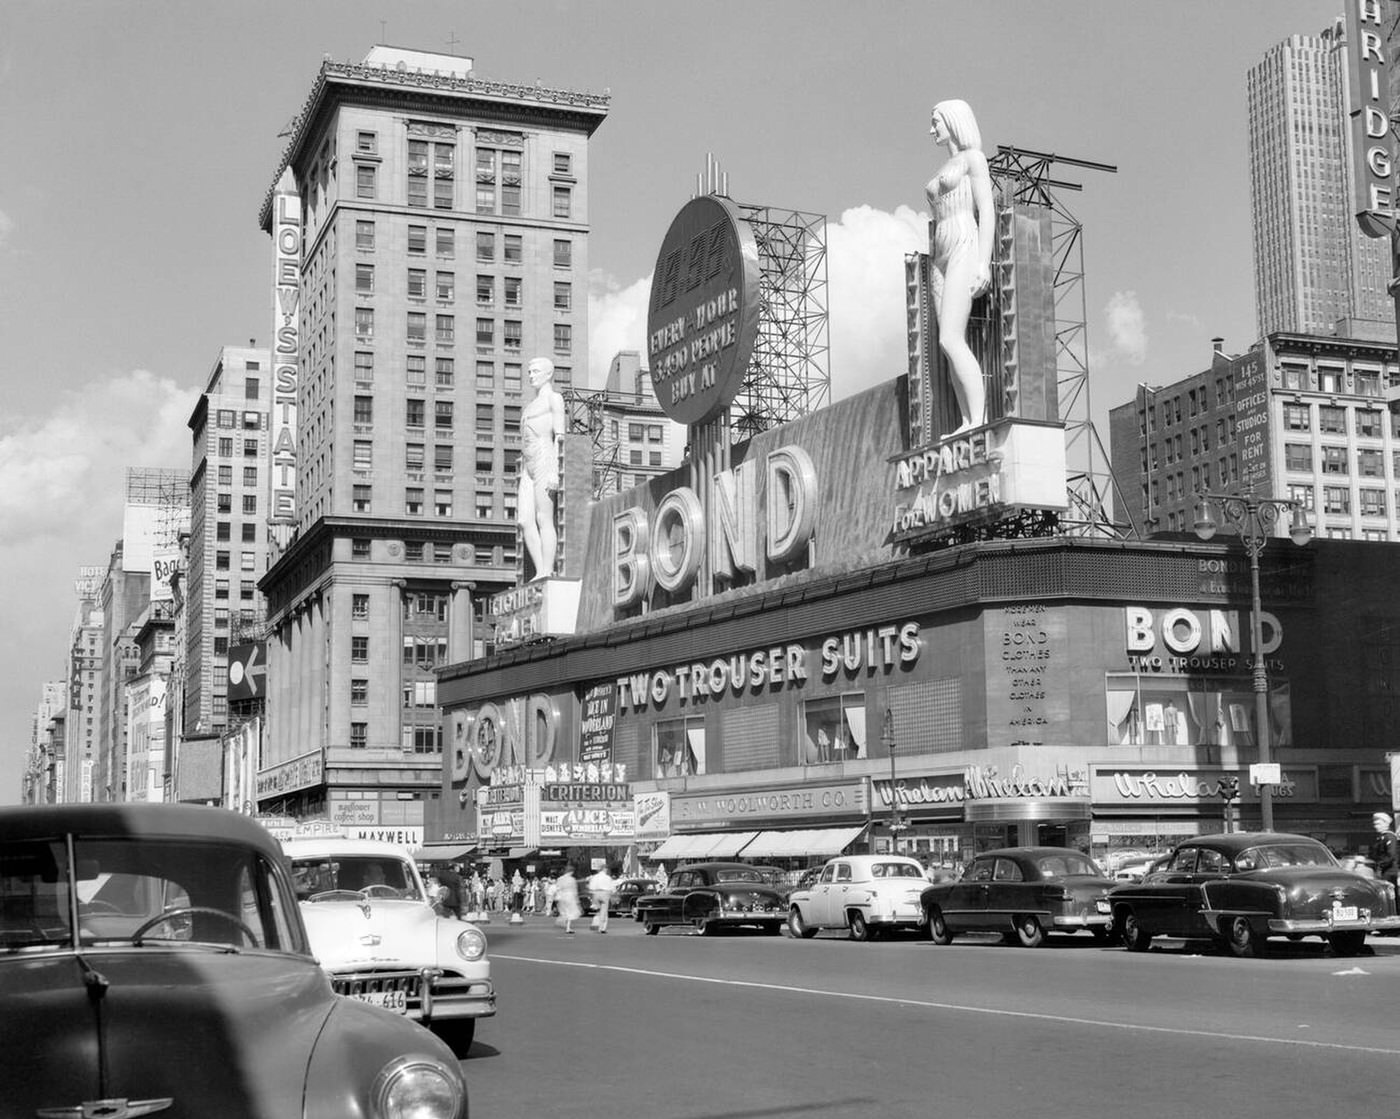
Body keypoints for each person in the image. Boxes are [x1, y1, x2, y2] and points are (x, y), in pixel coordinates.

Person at [925, 98, 994, 437]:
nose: (932, 129)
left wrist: (984, 261)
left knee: (953, 339)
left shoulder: (973, 159)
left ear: (953, 121)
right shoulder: (948, 164)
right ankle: (966, 421)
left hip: (965, 243)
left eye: (936, 121)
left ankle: (978, 420)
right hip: (940, 253)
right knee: (945, 342)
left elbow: (987, 210)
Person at [517, 356, 566, 581]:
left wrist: (555, 470)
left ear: (548, 374)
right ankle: (540, 570)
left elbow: (560, 437)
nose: (531, 375)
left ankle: (546, 570)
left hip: (545, 456)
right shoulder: (529, 407)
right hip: (527, 465)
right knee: (524, 521)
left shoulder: (554, 399)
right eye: (529, 371)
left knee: (543, 517)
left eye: (535, 371)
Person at [1370, 811, 1398, 889]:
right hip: (1383, 870)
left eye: (1378, 824)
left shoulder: (1390, 837)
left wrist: (1379, 865)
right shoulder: (1382, 838)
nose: (1376, 826)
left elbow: (1390, 855)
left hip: (1389, 871)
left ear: (1386, 824)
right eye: (1375, 824)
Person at [588, 865, 618, 933]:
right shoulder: (607, 878)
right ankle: (602, 928)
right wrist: (613, 893)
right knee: (604, 911)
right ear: (604, 869)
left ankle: (596, 923)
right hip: (605, 893)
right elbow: (612, 887)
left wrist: (592, 895)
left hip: (596, 893)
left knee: (598, 909)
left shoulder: (595, 877)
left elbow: (591, 887)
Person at [555, 864, 582, 934]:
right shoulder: (572, 879)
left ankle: (563, 922)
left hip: (562, 896)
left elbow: (557, 888)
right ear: (571, 872)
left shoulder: (560, 879)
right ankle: (568, 927)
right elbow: (574, 890)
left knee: (564, 911)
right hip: (570, 896)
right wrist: (577, 901)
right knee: (570, 912)